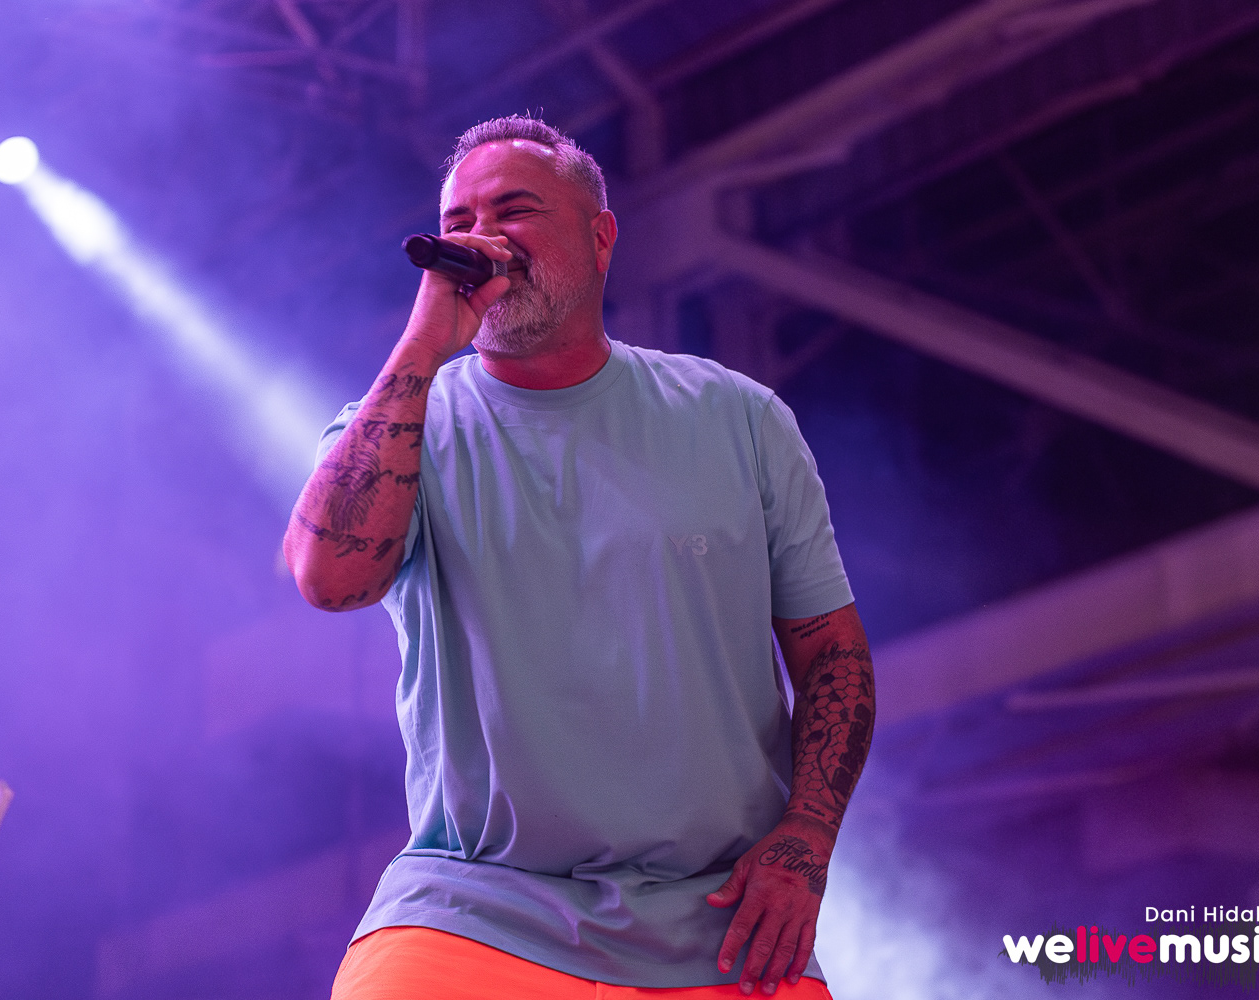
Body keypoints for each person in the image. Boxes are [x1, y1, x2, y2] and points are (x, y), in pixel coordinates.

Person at [284, 115, 874, 1000]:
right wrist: (422, 347)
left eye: (514, 210)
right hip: (470, 909)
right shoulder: (408, 420)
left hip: (719, 926)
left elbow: (832, 654)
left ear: (600, 238)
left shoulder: (737, 417)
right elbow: (329, 581)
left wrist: (807, 840)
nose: (482, 238)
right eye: (458, 222)